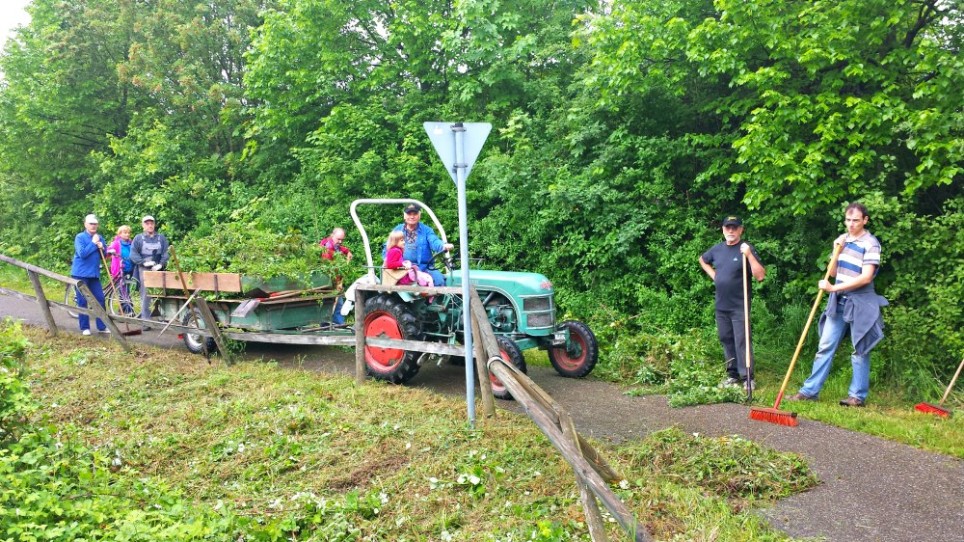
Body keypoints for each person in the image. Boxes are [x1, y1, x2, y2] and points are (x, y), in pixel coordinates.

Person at [788, 202, 888, 407]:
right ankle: (809, 391)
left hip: (861, 302)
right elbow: (832, 273)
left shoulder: (871, 244)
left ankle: (857, 397)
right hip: (839, 302)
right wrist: (836, 250)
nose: (851, 225)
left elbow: (866, 277)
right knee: (825, 346)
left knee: (860, 348)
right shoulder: (843, 241)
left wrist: (833, 288)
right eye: (848, 220)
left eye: (856, 221)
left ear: (865, 220)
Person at [699, 215, 766, 389]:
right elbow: (702, 260)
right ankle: (733, 374)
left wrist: (749, 255)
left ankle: (748, 377)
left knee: (742, 340)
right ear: (723, 229)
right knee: (725, 338)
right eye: (727, 227)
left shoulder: (746, 248)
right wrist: (715, 276)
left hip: (739, 305)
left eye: (734, 227)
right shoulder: (718, 249)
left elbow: (760, 276)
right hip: (721, 305)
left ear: (740, 230)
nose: (731, 230)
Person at [391, 203, 453, 287]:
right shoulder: (398, 230)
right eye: (409, 214)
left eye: (415, 214)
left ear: (419, 215)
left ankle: (432, 299)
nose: (412, 217)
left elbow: (434, 241)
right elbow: (388, 247)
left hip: (425, 267)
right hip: (404, 267)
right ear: (404, 216)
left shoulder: (426, 230)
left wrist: (443, 246)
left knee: (439, 281)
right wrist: (389, 262)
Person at [70, 214, 109, 335]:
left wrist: (103, 247)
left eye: (95, 224)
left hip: (94, 274)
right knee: (83, 300)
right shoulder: (80, 237)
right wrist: (93, 243)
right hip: (80, 274)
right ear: (86, 224)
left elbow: (105, 255)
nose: (93, 226)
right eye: (91, 224)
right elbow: (82, 253)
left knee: (100, 299)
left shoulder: (99, 237)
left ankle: (102, 327)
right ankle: (85, 327)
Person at [129, 215, 170, 324]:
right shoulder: (138, 238)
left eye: (151, 223)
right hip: (144, 270)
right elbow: (133, 254)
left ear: (154, 224)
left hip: (159, 269)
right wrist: (144, 262)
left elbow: (166, 253)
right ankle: (146, 322)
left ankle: (163, 317)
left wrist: (161, 264)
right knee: (146, 295)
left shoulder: (161, 238)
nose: (150, 225)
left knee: (163, 292)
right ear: (143, 225)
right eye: (147, 223)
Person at [318, 227, 352, 325]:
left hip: (335, 281)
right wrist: (337, 283)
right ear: (332, 236)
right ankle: (329, 328)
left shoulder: (335, 245)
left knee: (337, 305)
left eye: (342, 239)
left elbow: (341, 248)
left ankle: (337, 327)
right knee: (330, 306)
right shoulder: (326, 249)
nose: (340, 241)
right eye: (338, 239)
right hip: (327, 282)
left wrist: (347, 252)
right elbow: (329, 270)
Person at [106, 225, 135, 315]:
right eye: (125, 233)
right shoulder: (116, 243)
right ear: (120, 234)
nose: (127, 234)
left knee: (127, 290)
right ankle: (128, 310)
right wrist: (112, 251)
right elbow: (108, 250)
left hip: (129, 269)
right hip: (119, 269)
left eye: (128, 233)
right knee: (123, 290)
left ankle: (122, 310)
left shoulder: (131, 242)